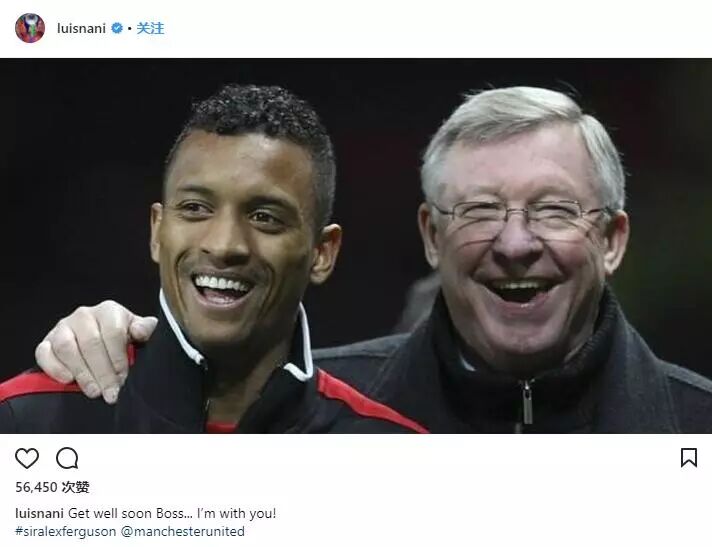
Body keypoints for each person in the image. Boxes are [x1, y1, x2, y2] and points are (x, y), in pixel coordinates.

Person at [31, 86, 712, 432]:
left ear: (612, 240)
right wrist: (114, 349)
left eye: (554, 210)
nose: (514, 244)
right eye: (478, 210)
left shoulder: (697, 428)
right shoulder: (303, 408)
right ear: (431, 237)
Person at [0, 84, 426, 433]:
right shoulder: (29, 419)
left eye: (264, 217)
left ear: (322, 252)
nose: (224, 245)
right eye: (195, 209)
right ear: (157, 231)